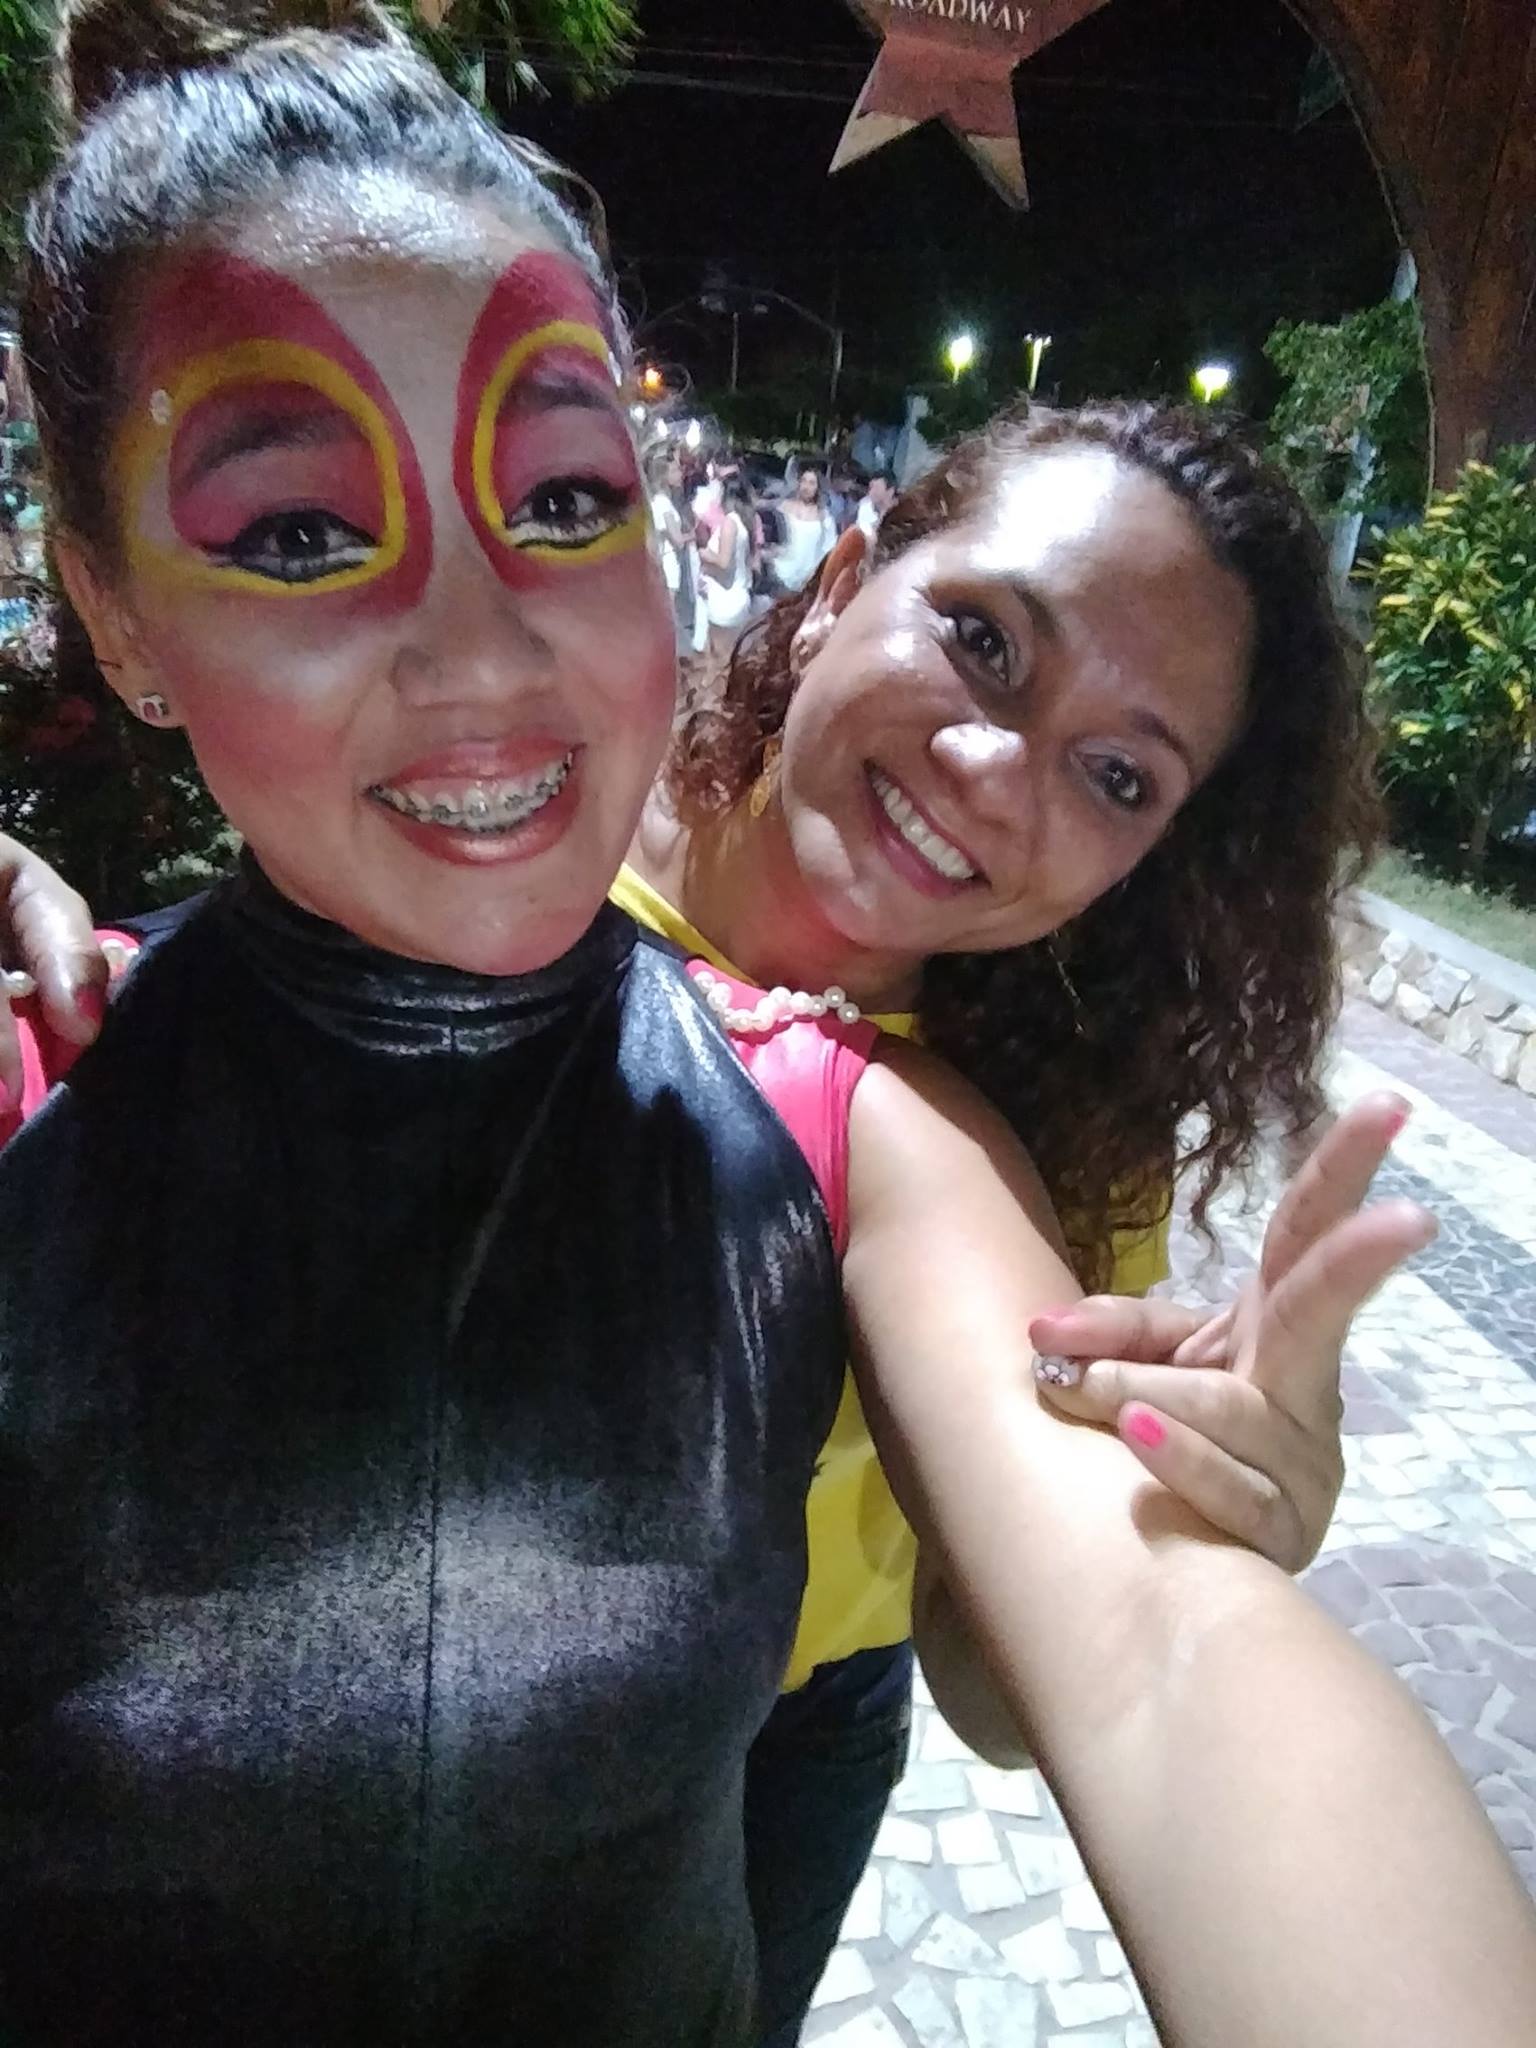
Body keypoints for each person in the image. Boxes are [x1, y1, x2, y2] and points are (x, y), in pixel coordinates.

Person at [10, 172, 1536, 2044]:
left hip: (800, 1708)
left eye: (1118, 776)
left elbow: (1088, 1674)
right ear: (835, 587)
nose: (991, 771)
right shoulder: (516, 854)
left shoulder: (986, 1119)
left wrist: (1188, 1526)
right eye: (985, 640)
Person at [646, 440, 704, 664]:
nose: (680, 474)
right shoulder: (664, 505)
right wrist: (695, 533)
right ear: (665, 476)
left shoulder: (657, 501)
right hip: (670, 564)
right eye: (676, 470)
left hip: (665, 562)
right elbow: (678, 540)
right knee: (667, 616)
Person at [701, 474, 755, 661]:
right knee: (728, 655)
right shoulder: (745, 521)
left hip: (725, 599)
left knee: (720, 657)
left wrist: (703, 553)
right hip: (737, 595)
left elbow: (723, 562)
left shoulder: (729, 523)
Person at [772, 463, 837, 595]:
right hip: (779, 575)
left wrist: (816, 575)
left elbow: (829, 549)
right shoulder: (783, 507)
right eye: (804, 481)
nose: (806, 487)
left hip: (806, 581)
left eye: (812, 483)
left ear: (818, 488)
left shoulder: (824, 517)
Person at [854, 468, 895, 539]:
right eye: (871, 488)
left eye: (877, 488)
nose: (872, 492)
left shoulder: (900, 509)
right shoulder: (865, 506)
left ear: (890, 491)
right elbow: (864, 534)